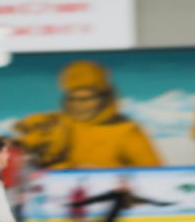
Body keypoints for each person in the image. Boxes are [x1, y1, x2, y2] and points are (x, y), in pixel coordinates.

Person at [13, 60, 161, 169]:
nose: (78, 104)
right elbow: (13, 151)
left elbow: (153, 174)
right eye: (72, 98)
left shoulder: (126, 131)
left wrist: (100, 174)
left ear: (103, 98)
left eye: (85, 99)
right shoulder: (54, 124)